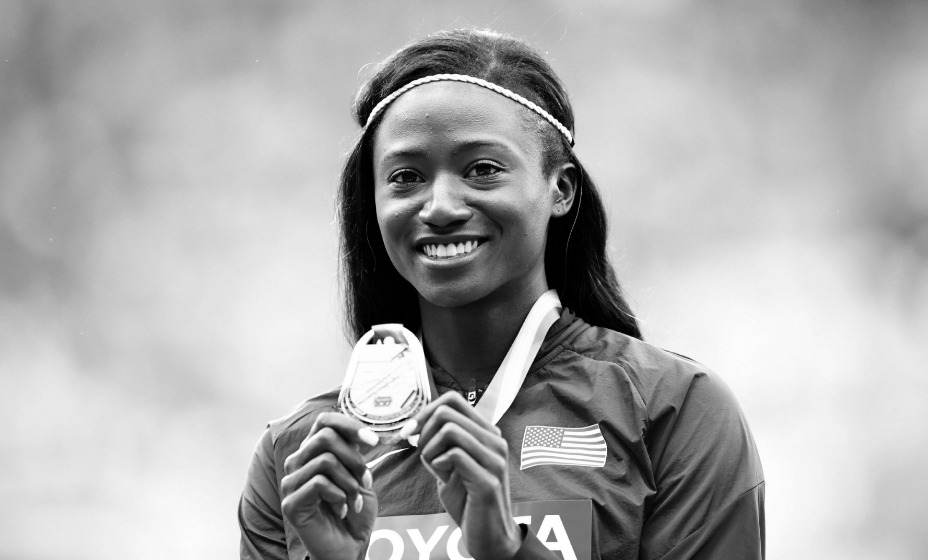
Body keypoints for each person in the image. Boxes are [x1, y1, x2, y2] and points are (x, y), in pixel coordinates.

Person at [239, 29, 765, 560]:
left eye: (483, 170)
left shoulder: (673, 411)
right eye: (406, 177)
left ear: (561, 189)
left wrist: (507, 550)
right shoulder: (302, 459)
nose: (440, 207)